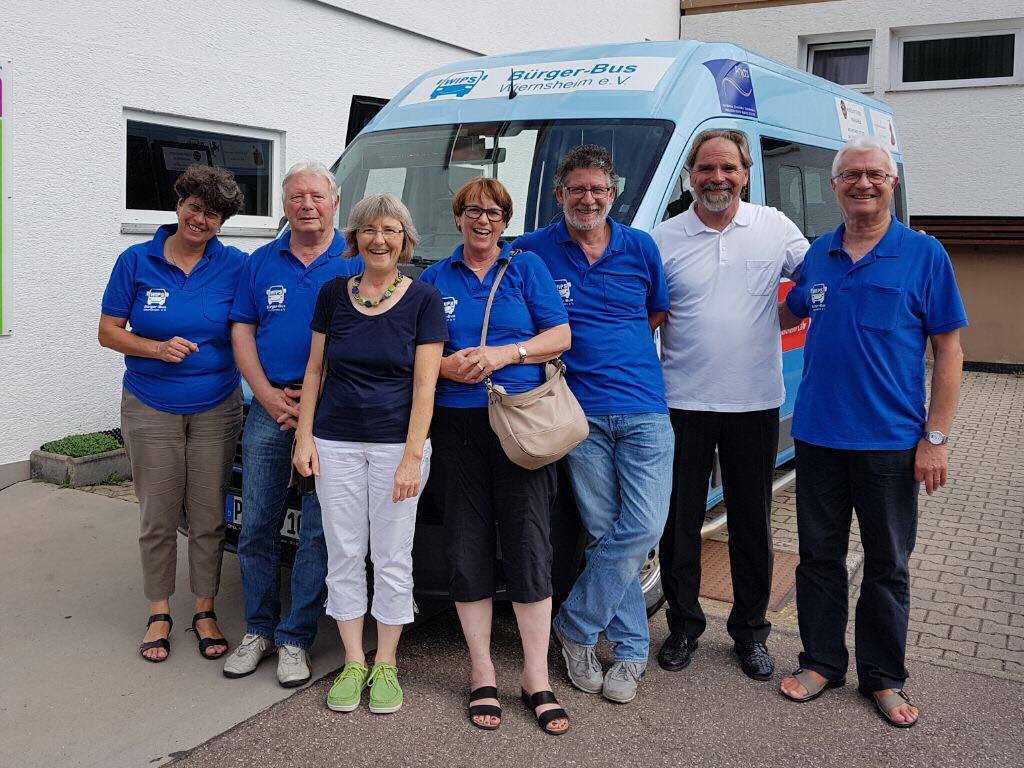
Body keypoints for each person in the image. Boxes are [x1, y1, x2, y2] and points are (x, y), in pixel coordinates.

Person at [777, 135, 967, 728]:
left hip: (891, 443)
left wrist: (935, 438)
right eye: (851, 175)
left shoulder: (924, 254)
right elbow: (787, 312)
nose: (863, 183)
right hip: (818, 436)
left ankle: (883, 677)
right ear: (835, 186)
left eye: (874, 175)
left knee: (887, 564)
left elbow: (950, 350)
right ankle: (821, 663)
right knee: (819, 559)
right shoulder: (818, 253)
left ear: (892, 184)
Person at [514, 145, 673, 705]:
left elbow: (656, 311)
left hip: (645, 406)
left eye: (598, 190)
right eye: (577, 189)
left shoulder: (640, 247)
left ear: (614, 194)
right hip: (576, 414)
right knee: (605, 531)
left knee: (645, 527)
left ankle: (575, 624)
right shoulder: (532, 250)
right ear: (559, 194)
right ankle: (631, 651)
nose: (588, 199)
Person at [651, 129, 808, 681]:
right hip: (681, 401)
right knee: (679, 522)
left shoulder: (775, 227)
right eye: (706, 168)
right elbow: (646, 313)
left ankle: (750, 633)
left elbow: (820, 279)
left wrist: (791, 314)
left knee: (751, 523)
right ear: (690, 175)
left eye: (728, 168)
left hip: (754, 402)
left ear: (745, 173)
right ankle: (683, 627)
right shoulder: (663, 238)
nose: (717, 178)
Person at [420, 177, 572, 735]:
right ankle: (482, 671)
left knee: (529, 543)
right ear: (458, 217)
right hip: (456, 427)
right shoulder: (435, 278)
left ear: (505, 222)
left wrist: (506, 353)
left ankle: (535, 676)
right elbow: (416, 351)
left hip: (521, 424)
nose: (482, 220)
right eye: (472, 210)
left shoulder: (526, 267)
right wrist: (444, 366)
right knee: (466, 545)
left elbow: (561, 335)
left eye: (493, 212)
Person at [292, 193, 446, 715]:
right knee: (343, 552)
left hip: (395, 446)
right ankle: (354, 660)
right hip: (335, 442)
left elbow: (425, 386)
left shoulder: (424, 299)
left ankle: (387, 662)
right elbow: (315, 370)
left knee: (392, 556)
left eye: (390, 230)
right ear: (354, 237)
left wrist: (412, 457)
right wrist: (304, 437)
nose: (379, 240)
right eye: (369, 230)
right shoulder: (334, 294)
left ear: (405, 239)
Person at [222, 162, 364, 686]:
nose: (307, 205)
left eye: (317, 196)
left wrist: (321, 392)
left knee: (318, 533)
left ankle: (295, 637)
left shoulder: (355, 259)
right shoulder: (261, 262)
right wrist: (265, 394)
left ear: (335, 203)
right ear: (284, 205)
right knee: (257, 524)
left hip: (332, 414)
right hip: (270, 409)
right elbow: (242, 331)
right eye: (297, 196)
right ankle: (258, 629)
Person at [98, 165, 247, 663]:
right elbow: (108, 332)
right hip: (150, 404)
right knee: (158, 515)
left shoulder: (236, 266)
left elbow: (254, 327)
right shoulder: (136, 260)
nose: (201, 220)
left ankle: (204, 610)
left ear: (222, 222)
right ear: (179, 204)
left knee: (208, 516)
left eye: (213, 214)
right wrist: (156, 349)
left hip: (217, 406)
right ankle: (159, 611)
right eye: (195, 207)